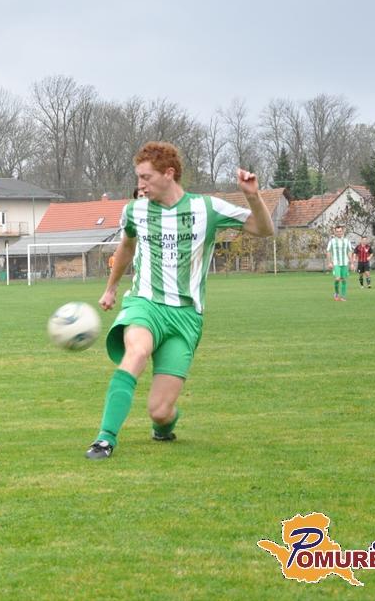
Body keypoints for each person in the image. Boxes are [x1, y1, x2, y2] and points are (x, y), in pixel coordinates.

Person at [86, 141, 274, 461]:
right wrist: (111, 288)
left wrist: (253, 196)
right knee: (137, 351)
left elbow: (264, 229)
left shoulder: (207, 208)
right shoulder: (134, 210)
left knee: (159, 411)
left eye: (146, 177)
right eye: (138, 177)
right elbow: (127, 247)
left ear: (169, 174)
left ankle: (164, 426)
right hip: (145, 303)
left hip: (186, 316)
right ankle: (105, 439)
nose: (140, 185)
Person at [325, 225, 354, 301]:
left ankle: (343, 296)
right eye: (337, 231)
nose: (339, 233)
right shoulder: (332, 241)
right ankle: (337, 293)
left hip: (345, 263)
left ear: (342, 231)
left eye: (340, 231)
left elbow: (349, 252)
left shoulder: (347, 241)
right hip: (336, 263)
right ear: (335, 232)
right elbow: (328, 252)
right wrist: (329, 262)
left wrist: (351, 263)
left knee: (344, 279)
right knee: (337, 279)